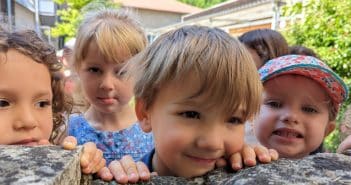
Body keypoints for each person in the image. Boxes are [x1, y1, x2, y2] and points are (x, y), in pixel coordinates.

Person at [106, 25, 279, 183]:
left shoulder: (244, 171)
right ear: (145, 113)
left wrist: (251, 167)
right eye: (191, 114)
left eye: (233, 120)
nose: (213, 142)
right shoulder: (132, 175)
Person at [0, 27, 107, 176]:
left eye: (42, 103)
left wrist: (79, 165)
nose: (28, 121)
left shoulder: (52, 155)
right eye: (2, 103)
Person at [68, 9, 154, 165]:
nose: (107, 84)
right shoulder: (68, 132)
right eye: (94, 70)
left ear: (141, 72)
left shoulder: (154, 130)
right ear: (78, 68)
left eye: (121, 71)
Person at [254, 55, 349, 159]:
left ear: (327, 130)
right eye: (274, 104)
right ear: (250, 114)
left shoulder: (334, 172)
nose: (290, 116)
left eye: (309, 109)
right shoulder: (238, 159)